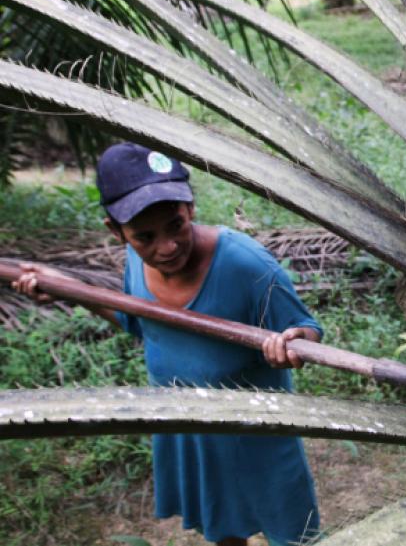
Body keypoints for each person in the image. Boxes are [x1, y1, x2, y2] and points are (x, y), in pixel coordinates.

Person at [12, 142, 322, 546]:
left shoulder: (247, 265)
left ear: (190, 207)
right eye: (145, 237)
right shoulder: (136, 261)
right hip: (187, 430)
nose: (167, 246)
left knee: (293, 536)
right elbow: (139, 321)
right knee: (222, 530)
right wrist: (67, 289)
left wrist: (294, 342)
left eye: (175, 225)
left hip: (256, 436)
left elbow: (305, 329)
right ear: (116, 232)